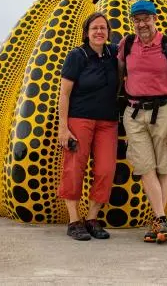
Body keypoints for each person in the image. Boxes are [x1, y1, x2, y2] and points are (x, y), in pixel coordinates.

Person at [117, 0, 167, 243]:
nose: (142, 23)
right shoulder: (126, 45)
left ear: (154, 18)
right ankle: (162, 220)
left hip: (164, 112)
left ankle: (159, 221)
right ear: (132, 22)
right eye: (137, 19)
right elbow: (118, 74)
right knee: (145, 167)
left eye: (146, 18)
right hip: (134, 113)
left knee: (163, 168)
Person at [57, 12, 119, 241]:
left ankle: (92, 218)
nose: (99, 32)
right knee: (74, 169)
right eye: (95, 28)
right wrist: (63, 128)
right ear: (87, 32)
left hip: (108, 122)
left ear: (108, 33)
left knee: (105, 170)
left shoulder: (114, 53)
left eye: (103, 28)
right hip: (80, 119)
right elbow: (64, 93)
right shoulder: (77, 56)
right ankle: (74, 221)